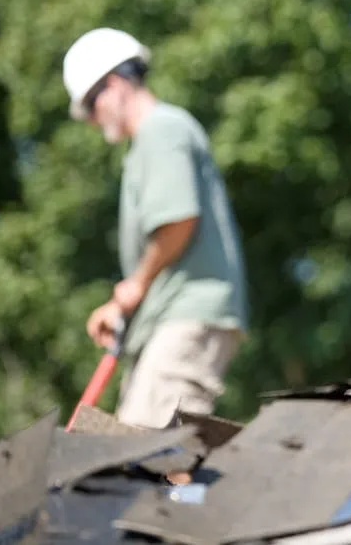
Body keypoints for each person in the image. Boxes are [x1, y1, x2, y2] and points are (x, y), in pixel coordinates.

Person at [63, 27, 249, 428]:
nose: (93, 121)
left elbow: (177, 221)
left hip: (185, 313)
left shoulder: (161, 130)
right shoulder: (152, 139)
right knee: (138, 455)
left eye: (92, 107)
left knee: (146, 458)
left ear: (114, 85)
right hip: (170, 318)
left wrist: (133, 288)